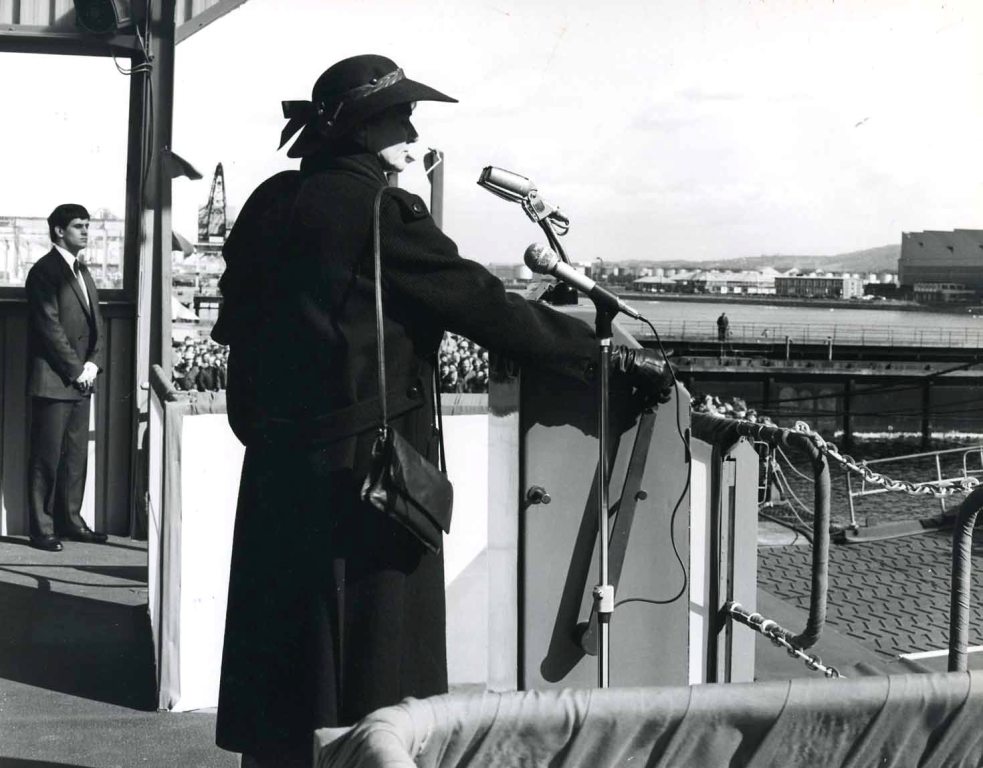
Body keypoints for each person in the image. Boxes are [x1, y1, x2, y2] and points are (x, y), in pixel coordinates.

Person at [211, 54, 672, 768]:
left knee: (287, 660)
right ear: (362, 130)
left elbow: (237, 328)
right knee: (370, 664)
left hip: (278, 470)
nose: (412, 133)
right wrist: (599, 355)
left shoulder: (269, 202)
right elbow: (481, 305)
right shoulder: (383, 211)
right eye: (400, 117)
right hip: (366, 476)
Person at [24, 203, 107, 552]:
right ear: (59, 231)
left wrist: (93, 364)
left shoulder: (82, 270)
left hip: (80, 379)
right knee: (46, 458)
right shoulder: (44, 272)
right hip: (55, 381)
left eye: (87, 225)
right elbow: (49, 327)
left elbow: (95, 322)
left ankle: (71, 521)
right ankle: (42, 529)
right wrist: (77, 370)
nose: (86, 231)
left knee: (75, 457)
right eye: (78, 226)